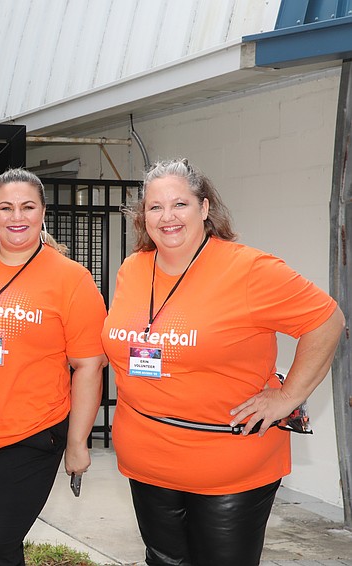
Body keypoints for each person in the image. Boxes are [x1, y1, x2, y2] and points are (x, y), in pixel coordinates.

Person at [102, 159, 345, 566]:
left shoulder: (248, 269)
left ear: (204, 208)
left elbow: (327, 320)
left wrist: (287, 397)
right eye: (155, 207)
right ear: (143, 216)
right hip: (147, 463)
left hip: (228, 472)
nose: (167, 217)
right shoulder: (132, 269)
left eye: (179, 204)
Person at [0, 168, 108, 565]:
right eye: (6, 207)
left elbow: (88, 366)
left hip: (28, 437)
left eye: (28, 207)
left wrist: (79, 443)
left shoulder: (72, 279)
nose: (17, 217)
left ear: (43, 211)